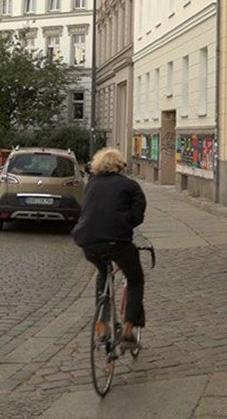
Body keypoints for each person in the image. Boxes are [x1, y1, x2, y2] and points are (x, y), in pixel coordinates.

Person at [71, 146, 147, 344]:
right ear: (120, 166)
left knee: (103, 272)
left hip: (87, 241)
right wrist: (123, 223)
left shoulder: (91, 185)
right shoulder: (130, 186)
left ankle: (101, 324)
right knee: (135, 279)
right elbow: (138, 216)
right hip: (117, 241)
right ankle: (129, 328)